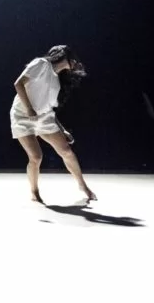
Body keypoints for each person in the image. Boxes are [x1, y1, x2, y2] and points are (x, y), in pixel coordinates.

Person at [11, 45, 97, 204]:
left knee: (67, 151)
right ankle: (34, 191)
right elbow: (18, 84)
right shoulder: (41, 63)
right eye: (74, 59)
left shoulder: (56, 80)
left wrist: (63, 130)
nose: (76, 63)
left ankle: (83, 186)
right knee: (36, 157)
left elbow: (49, 109)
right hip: (22, 115)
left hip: (44, 118)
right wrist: (29, 108)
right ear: (65, 56)